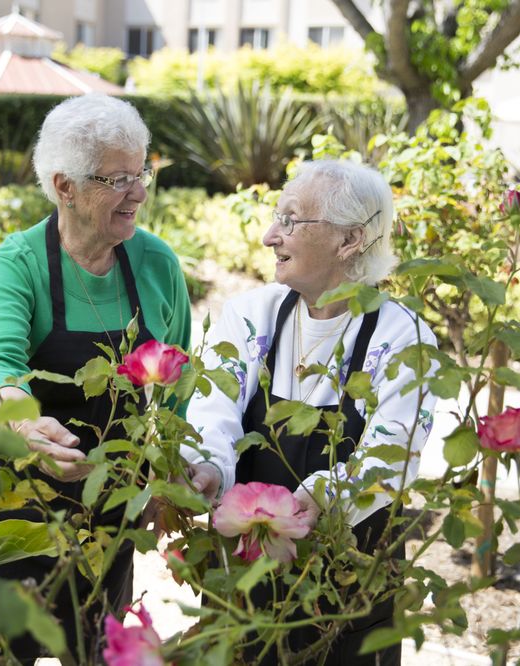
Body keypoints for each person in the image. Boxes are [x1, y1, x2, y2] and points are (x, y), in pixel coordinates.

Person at [182, 160, 437, 665]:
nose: (270, 235)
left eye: (292, 220)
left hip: (349, 574)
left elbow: (394, 456)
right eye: (278, 217)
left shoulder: (403, 337)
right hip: (250, 565)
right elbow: (213, 413)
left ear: (350, 241)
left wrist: (322, 496)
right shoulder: (250, 315)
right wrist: (209, 465)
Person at [0, 94, 191, 662]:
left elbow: (179, 386)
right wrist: (24, 423)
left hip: (108, 504)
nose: (139, 192)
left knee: (93, 648)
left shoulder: (159, 264)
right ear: (65, 186)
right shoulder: (15, 265)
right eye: (119, 178)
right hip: (14, 499)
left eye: (142, 171)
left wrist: (166, 477)